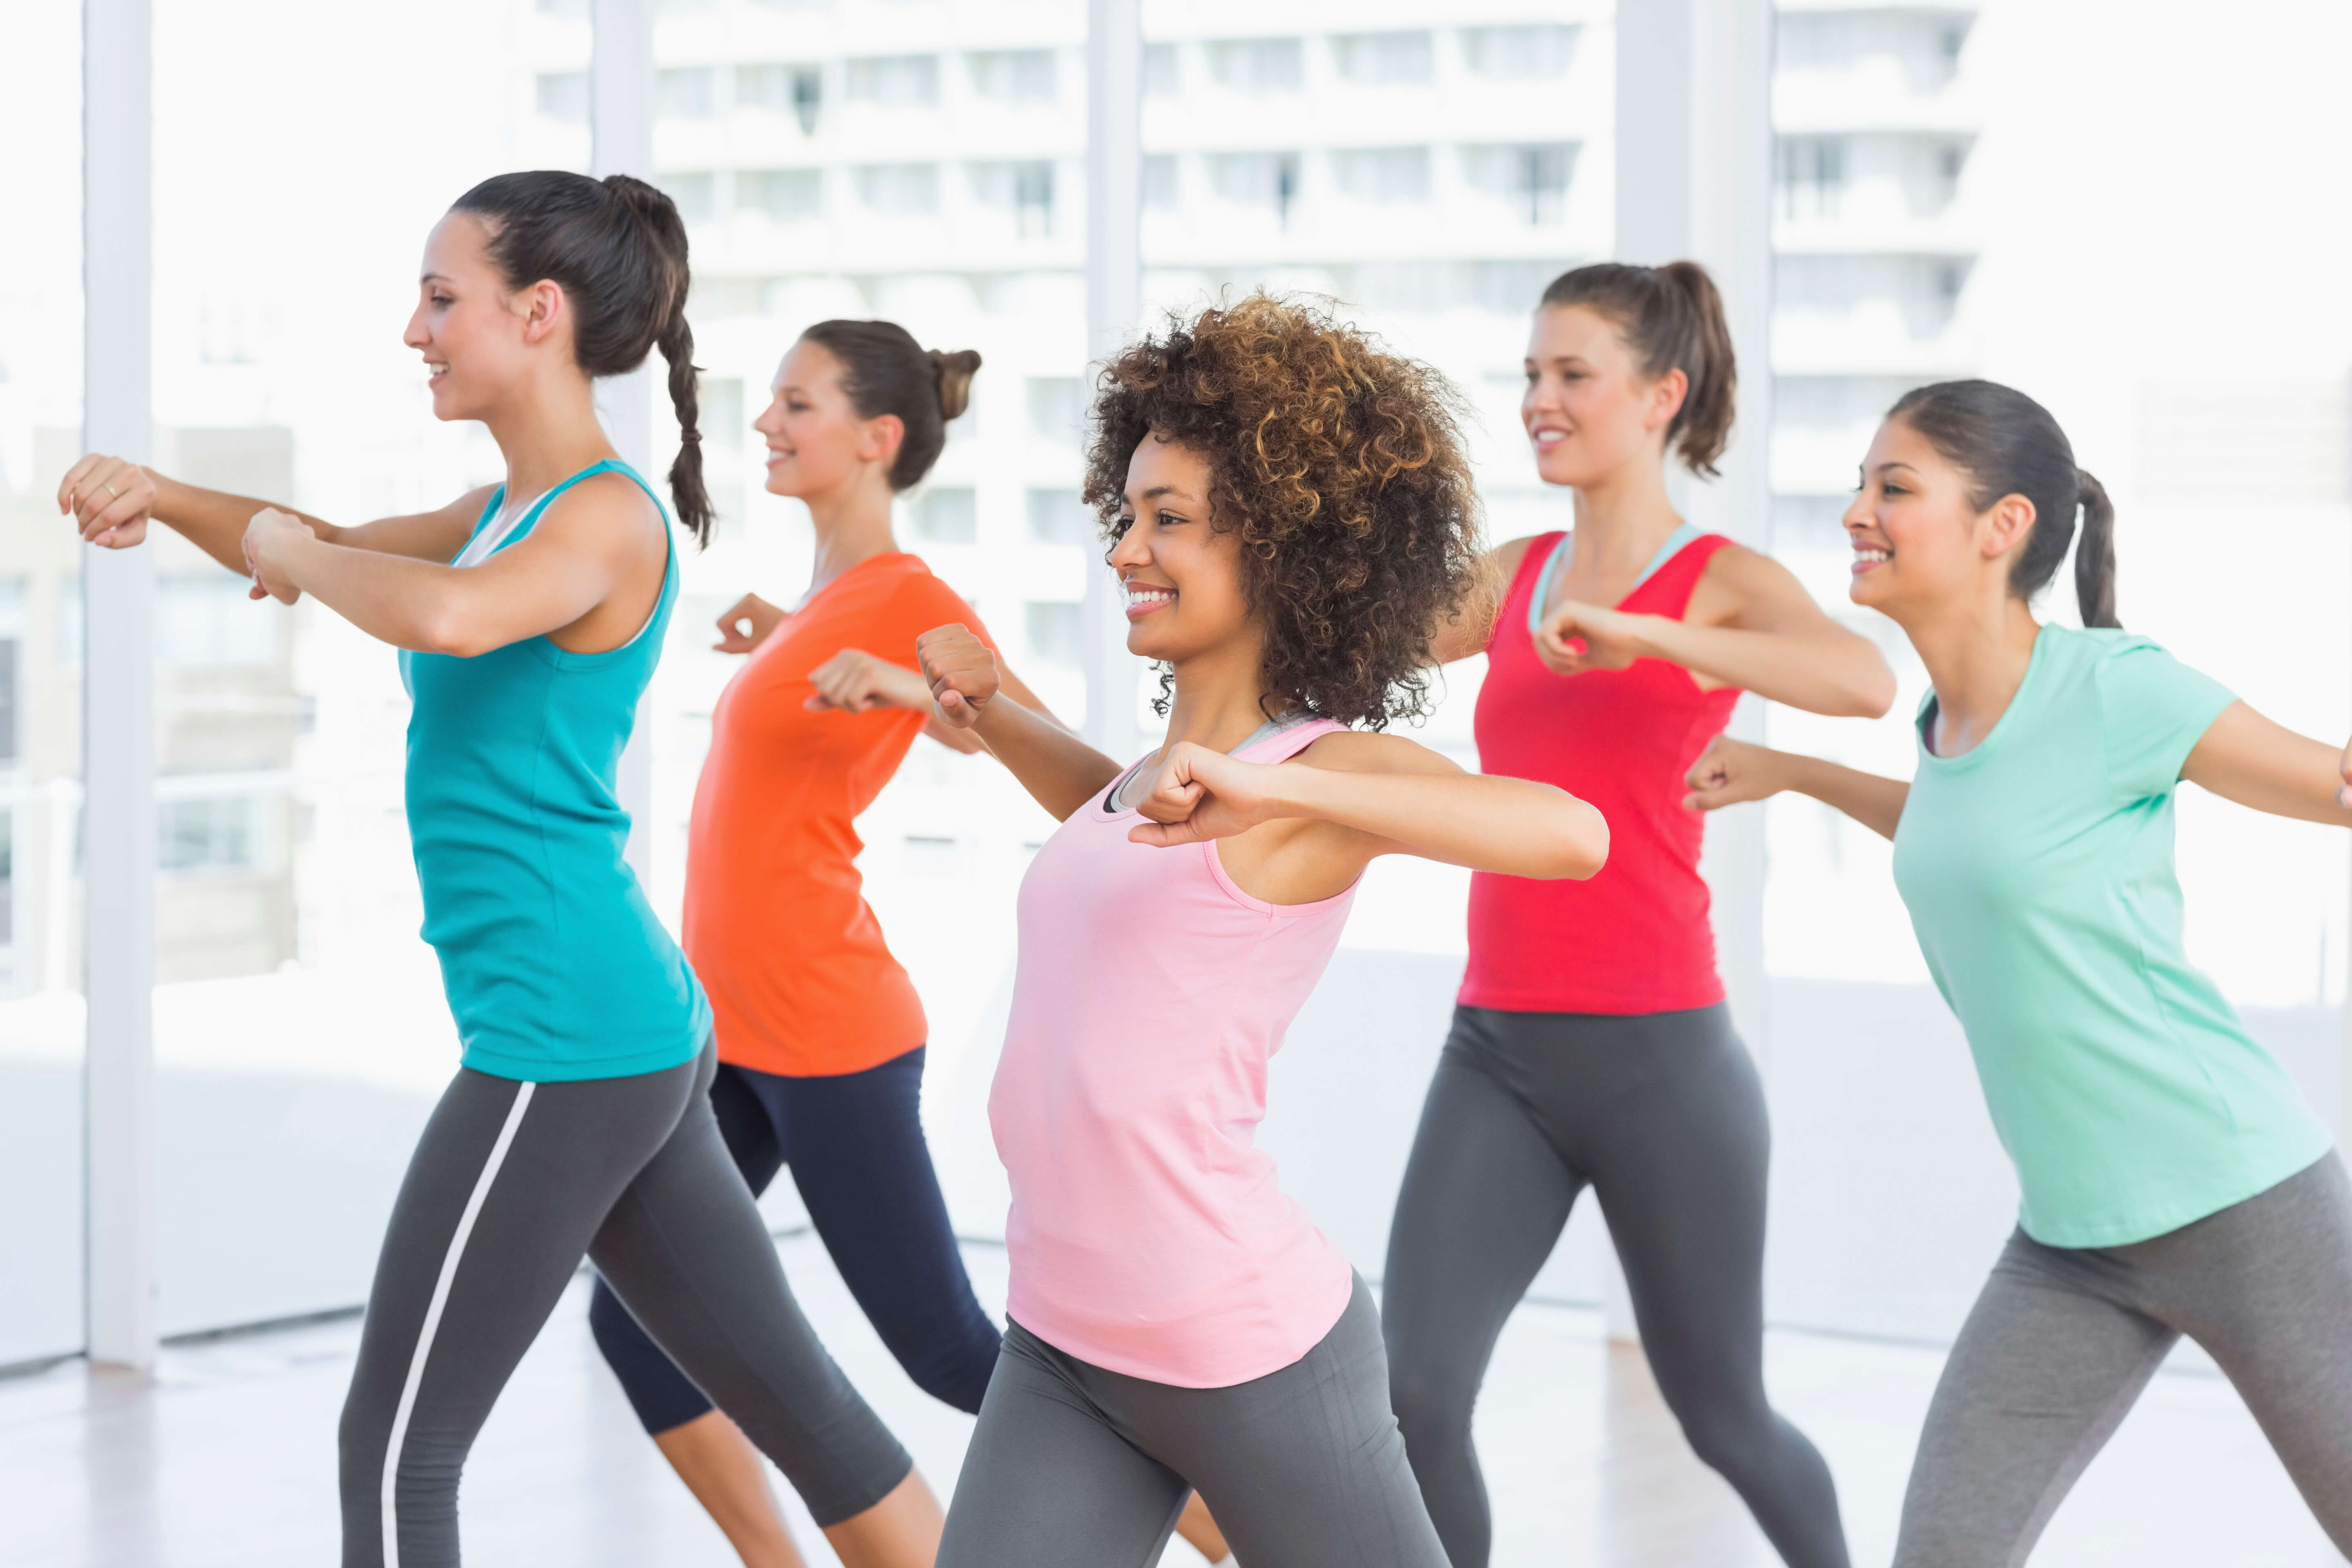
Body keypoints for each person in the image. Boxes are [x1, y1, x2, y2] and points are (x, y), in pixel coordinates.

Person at [58, 171, 940, 1568]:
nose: (416, 330)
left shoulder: (606, 520)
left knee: (398, 1452)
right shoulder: (508, 506)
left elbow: (449, 619)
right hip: (622, 1028)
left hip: (566, 1039)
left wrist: (294, 551)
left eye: (440, 298)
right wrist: (164, 495)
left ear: (538, 313)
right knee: (814, 1420)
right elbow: (334, 554)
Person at [898, 295, 1608, 1568]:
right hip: (1066, 1333)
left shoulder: (1313, 774)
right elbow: (1116, 829)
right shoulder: (1168, 776)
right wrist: (993, 708)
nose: (1127, 548)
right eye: (1127, 513)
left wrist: (1287, 787)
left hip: (1239, 1338)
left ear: (1283, 547)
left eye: (1169, 518)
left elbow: (1573, 836)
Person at [583, 318, 1231, 1568]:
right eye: (768, 403)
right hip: (728, 1025)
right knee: (634, 1315)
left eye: (796, 405)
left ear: (878, 440)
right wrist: (792, 634)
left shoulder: (911, 599)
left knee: (943, 1352)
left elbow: (1076, 767)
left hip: (828, 1028)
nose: (764, 424)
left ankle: (1241, 1532)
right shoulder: (829, 599)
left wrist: (896, 687)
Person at [1682, 379, 2352, 1565]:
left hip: (2242, 1204)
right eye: (1859, 486)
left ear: (2004, 528)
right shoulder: (1947, 722)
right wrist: (1797, 773)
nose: (1857, 512)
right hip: (2074, 1241)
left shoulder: (2114, 690)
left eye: (1896, 488)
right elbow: (1972, 837)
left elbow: (2337, 785)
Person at [1381, 261, 1891, 1568]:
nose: (1540, 401)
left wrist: (1654, 639)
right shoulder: (1517, 571)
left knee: (1721, 1416)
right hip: (1496, 1051)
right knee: (1414, 1397)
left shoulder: (1716, 577)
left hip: (1663, 1056)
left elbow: (1861, 679)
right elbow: (1351, 649)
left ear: (1661, 395)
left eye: (1572, 375)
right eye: (1533, 376)